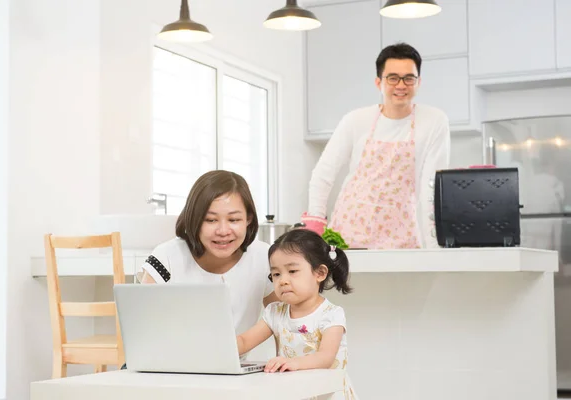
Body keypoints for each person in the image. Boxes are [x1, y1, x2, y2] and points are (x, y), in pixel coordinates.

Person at [302, 42, 451, 249]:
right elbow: (323, 175)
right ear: (378, 82)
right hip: (349, 232)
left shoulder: (434, 121)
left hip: (402, 236)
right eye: (392, 78)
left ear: (419, 82)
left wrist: (435, 245)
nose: (401, 85)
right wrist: (315, 228)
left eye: (409, 78)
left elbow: (432, 187)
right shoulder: (355, 120)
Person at [139, 170, 278, 337]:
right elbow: (142, 327)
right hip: (170, 361)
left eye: (234, 220)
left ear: (248, 219)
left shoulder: (264, 257)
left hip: (236, 362)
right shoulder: (166, 257)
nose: (223, 231)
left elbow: (284, 319)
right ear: (194, 219)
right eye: (210, 220)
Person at [236, 229, 358, 399]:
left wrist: (293, 363)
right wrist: (213, 349)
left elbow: (325, 357)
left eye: (292, 271)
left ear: (320, 273)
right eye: (276, 274)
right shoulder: (275, 312)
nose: (283, 280)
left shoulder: (331, 314)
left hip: (328, 394)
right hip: (296, 393)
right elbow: (244, 341)